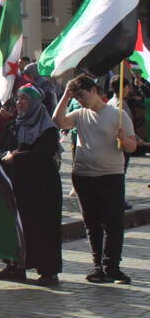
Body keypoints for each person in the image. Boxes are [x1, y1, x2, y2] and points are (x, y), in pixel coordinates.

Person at [53, 74, 136, 284]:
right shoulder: (80, 114)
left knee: (113, 223)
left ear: (93, 91)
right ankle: (97, 265)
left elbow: (132, 146)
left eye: (81, 95)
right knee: (92, 224)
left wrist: (123, 138)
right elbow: (58, 121)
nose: (80, 100)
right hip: (84, 176)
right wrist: (65, 96)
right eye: (76, 97)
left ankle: (112, 266)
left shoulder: (117, 115)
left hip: (110, 175)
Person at [0, 84, 63, 285]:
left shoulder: (48, 128)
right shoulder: (13, 126)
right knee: (19, 226)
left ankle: (48, 270)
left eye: (24, 99)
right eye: (17, 98)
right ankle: (16, 266)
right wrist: (3, 156)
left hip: (43, 187)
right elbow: (2, 149)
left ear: (35, 103)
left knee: (44, 228)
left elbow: (42, 154)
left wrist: (16, 157)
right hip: (18, 186)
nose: (19, 103)